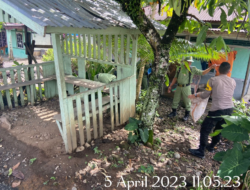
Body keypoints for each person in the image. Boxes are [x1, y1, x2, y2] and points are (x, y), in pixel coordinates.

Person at [188, 62, 236, 159]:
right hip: (229, 110)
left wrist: (196, 95)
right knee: (219, 129)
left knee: (205, 130)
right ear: (229, 71)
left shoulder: (212, 80)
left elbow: (206, 94)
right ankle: (211, 147)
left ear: (218, 69)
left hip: (217, 110)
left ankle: (201, 151)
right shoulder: (233, 81)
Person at [168, 56, 217, 121]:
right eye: (188, 62)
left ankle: (187, 115)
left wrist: (210, 68)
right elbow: (175, 78)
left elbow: (202, 73)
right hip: (179, 86)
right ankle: (174, 112)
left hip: (186, 87)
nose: (189, 63)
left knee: (188, 101)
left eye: (190, 62)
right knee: (175, 99)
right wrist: (171, 86)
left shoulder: (192, 69)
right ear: (184, 62)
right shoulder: (179, 68)